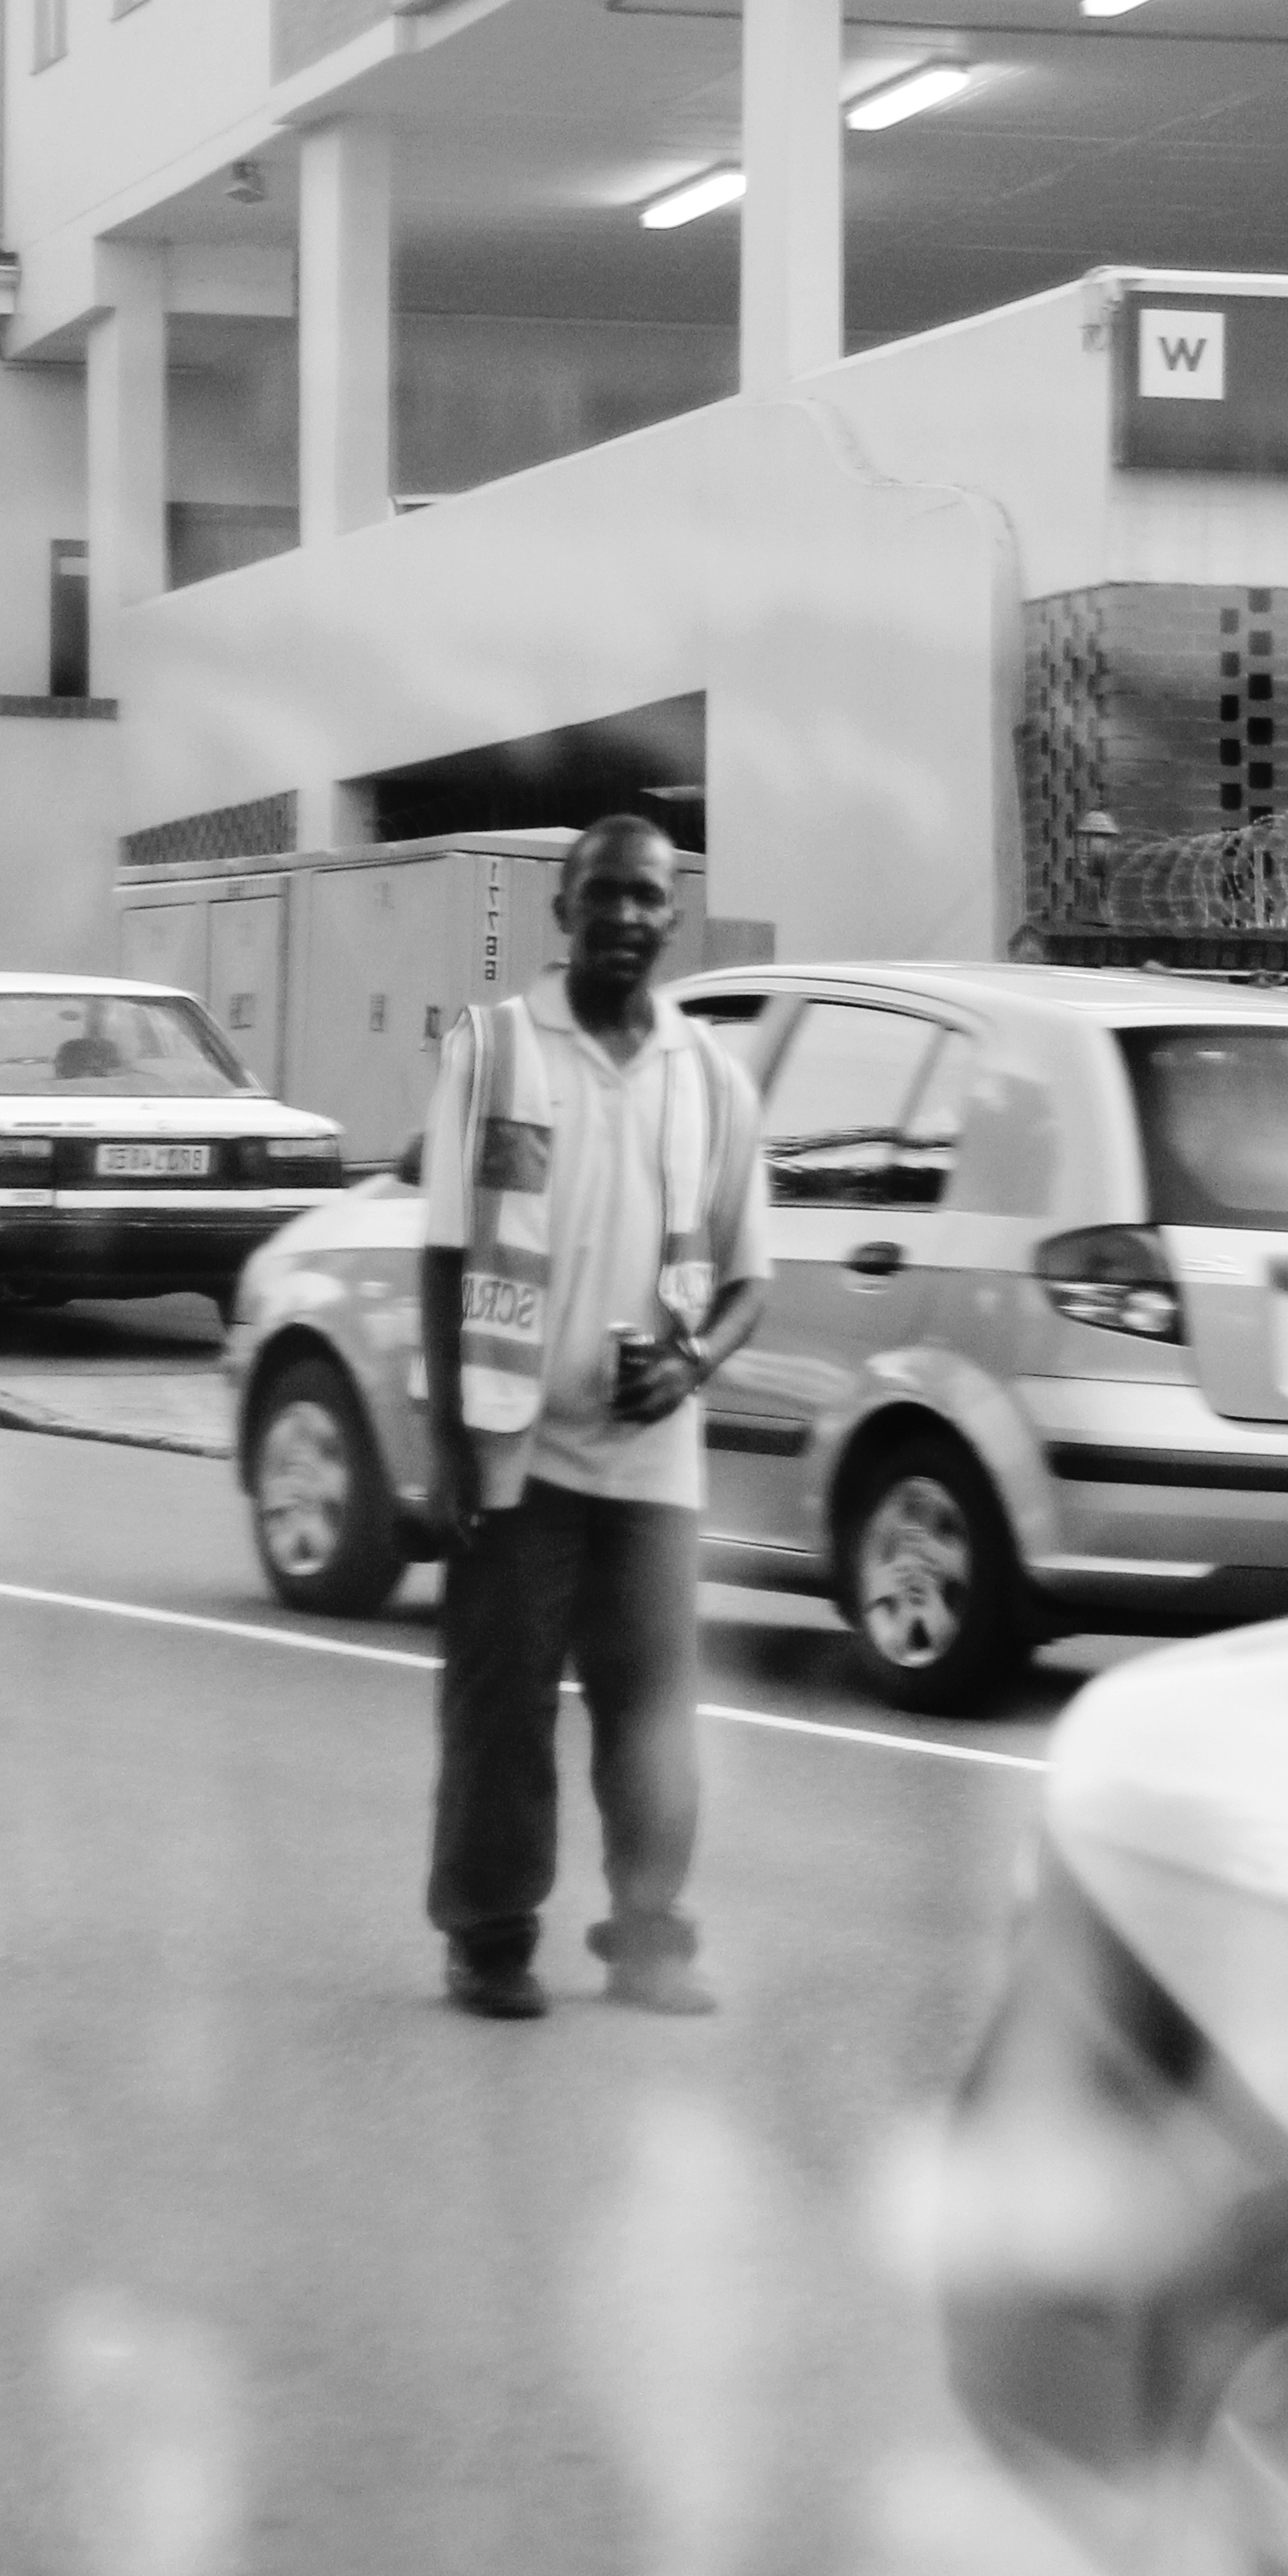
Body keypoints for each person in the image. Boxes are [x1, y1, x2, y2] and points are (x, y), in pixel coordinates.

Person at [416, 815, 769, 2020]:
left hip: (653, 1455)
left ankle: (650, 1935)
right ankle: (491, 1939)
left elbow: (747, 1280)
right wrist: (451, 1433)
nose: (625, 916)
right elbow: (446, 1250)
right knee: (500, 1708)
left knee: (655, 1713)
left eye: (648, 898)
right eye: (603, 895)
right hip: (515, 1440)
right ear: (562, 913)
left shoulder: (713, 1078)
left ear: (675, 920)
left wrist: (692, 1366)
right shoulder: (497, 1050)